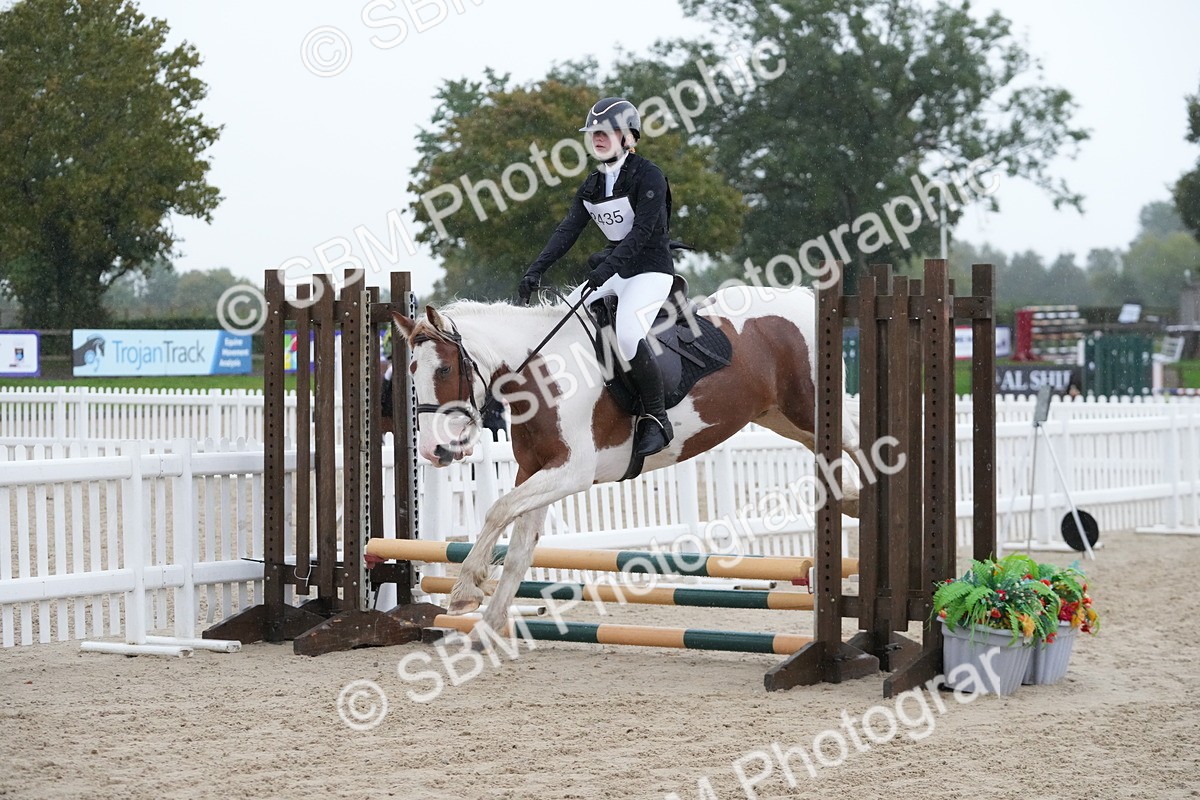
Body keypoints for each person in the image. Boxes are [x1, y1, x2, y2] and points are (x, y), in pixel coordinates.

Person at [518, 97, 675, 458]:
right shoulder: (593, 184)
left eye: (606, 131)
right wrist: (535, 269)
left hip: (650, 271)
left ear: (628, 137)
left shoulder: (648, 175)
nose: (597, 137)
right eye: (593, 132)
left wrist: (605, 269)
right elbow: (567, 231)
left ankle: (657, 417)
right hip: (616, 270)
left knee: (629, 335)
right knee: (563, 320)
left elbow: (641, 234)